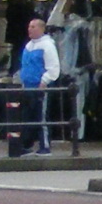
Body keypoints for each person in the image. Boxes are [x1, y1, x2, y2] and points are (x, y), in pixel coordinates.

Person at [10, 16, 62, 156]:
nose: (30, 29)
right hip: (28, 86)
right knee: (29, 117)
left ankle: (44, 146)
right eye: (29, 27)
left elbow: (53, 67)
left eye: (33, 27)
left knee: (41, 117)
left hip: (39, 86)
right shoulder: (29, 45)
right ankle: (27, 145)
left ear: (41, 28)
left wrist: (44, 81)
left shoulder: (47, 45)